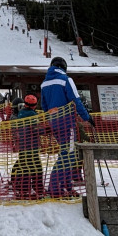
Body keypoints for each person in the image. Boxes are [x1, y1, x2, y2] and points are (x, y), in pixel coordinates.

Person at [40, 57, 93, 198]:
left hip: (54, 122)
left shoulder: (44, 83)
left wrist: (50, 119)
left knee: (68, 153)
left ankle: (66, 186)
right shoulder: (65, 79)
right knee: (67, 155)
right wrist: (87, 117)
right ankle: (55, 188)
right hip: (67, 122)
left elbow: (44, 106)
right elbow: (75, 100)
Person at [11, 94, 46, 199]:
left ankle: (22, 189)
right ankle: (37, 189)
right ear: (34, 105)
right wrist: (46, 130)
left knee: (23, 167)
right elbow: (35, 129)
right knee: (36, 167)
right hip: (31, 146)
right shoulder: (32, 115)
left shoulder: (21, 113)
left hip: (22, 145)